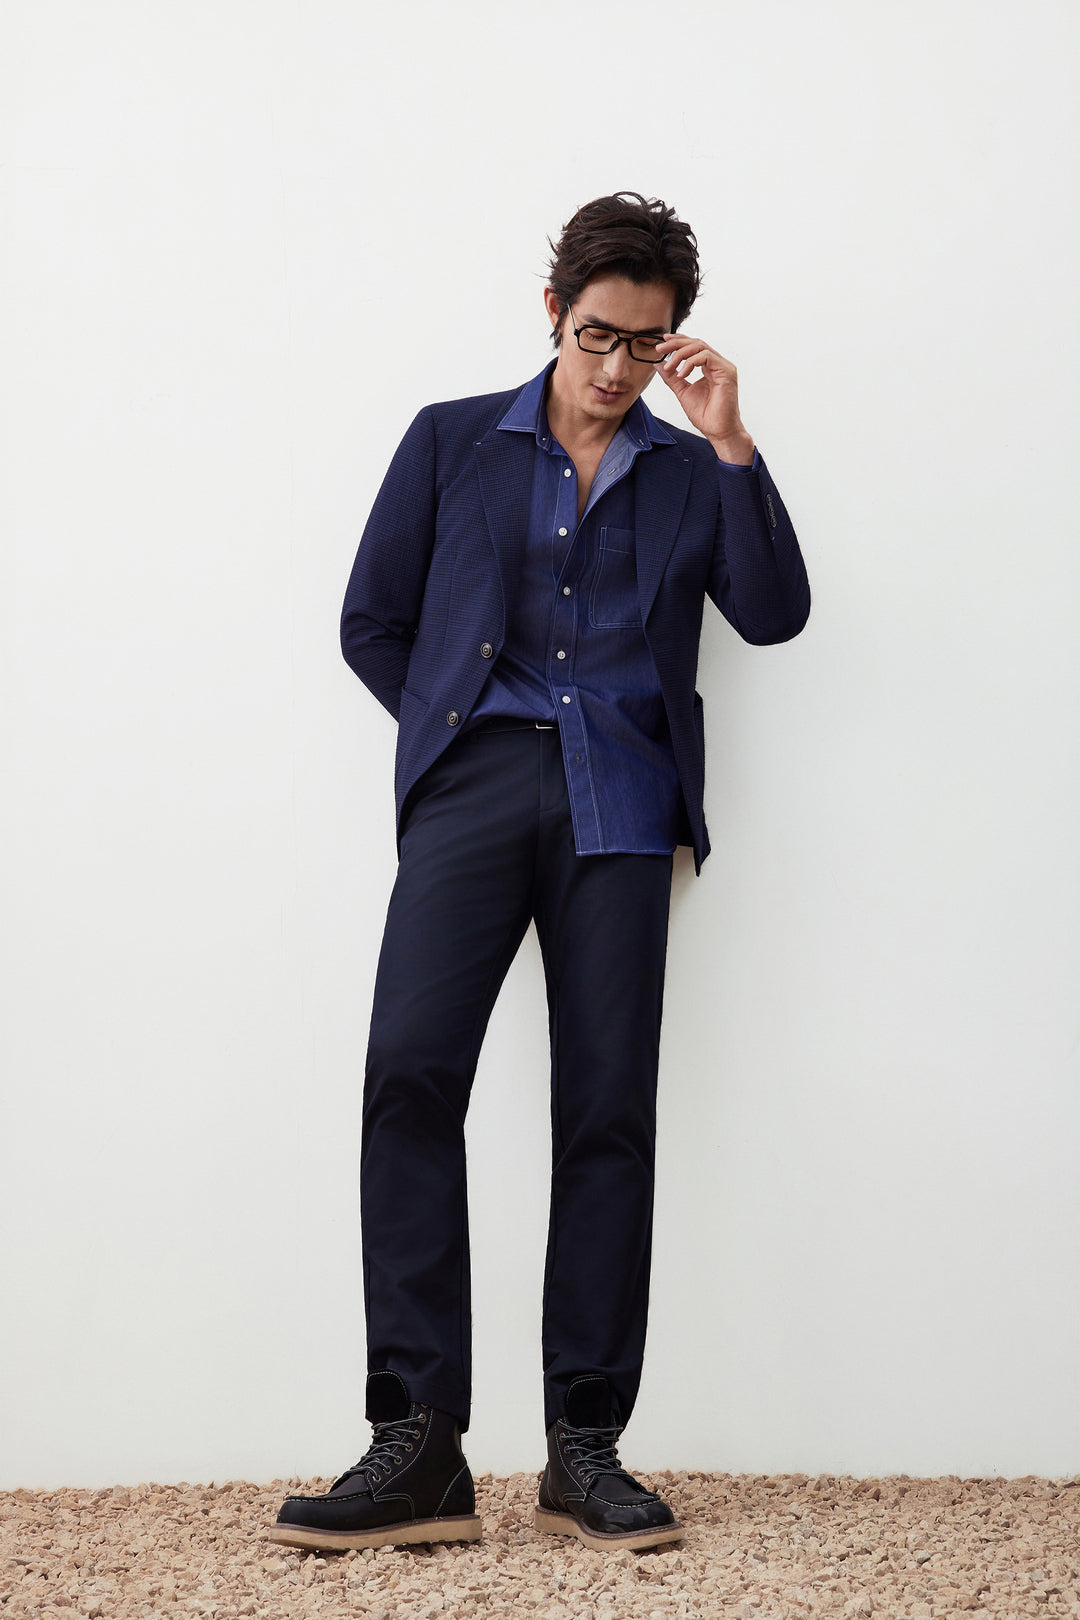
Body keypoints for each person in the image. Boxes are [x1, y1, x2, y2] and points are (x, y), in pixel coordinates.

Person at [271, 191, 810, 1555]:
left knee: (607, 1111)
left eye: (646, 343)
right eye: (595, 337)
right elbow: (373, 619)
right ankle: (419, 1442)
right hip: (474, 789)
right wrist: (449, 735)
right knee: (409, 1075)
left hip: (620, 800)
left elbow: (773, 613)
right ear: (554, 314)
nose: (616, 368)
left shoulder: (686, 468)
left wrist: (730, 439)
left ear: (674, 339)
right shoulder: (451, 440)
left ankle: (585, 1446)